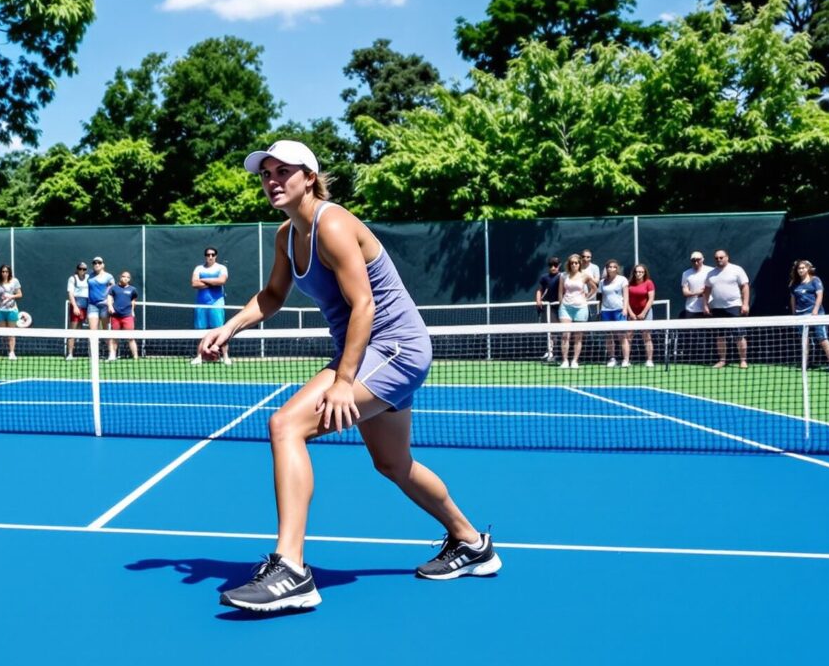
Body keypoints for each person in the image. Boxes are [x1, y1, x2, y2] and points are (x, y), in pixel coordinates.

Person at [201, 140, 496, 613]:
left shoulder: (333, 223)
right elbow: (272, 295)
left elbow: (364, 304)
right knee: (393, 463)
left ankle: (291, 569)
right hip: (374, 352)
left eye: (283, 171)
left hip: (394, 348)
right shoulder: (286, 235)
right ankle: (471, 543)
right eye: (266, 173)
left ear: (309, 178)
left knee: (285, 425)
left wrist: (343, 381)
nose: (272, 180)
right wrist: (229, 327)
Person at [706, 248, 750, 368]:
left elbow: (745, 287)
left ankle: (743, 361)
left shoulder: (737, 269)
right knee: (720, 336)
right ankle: (722, 360)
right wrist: (705, 304)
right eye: (716, 258)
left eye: (721, 257)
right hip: (717, 308)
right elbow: (707, 289)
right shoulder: (711, 273)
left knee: (739, 335)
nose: (718, 260)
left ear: (727, 257)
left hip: (734, 306)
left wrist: (745, 304)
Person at [790, 259, 829, 371]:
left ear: (808, 269)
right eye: (799, 268)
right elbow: (793, 299)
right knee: (804, 340)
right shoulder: (794, 284)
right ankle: (805, 364)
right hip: (801, 315)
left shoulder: (815, 280)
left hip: (816, 314)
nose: (801, 270)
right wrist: (794, 313)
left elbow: (820, 295)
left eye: (803, 268)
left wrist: (815, 310)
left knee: (822, 338)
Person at [556, 253, 595, 369]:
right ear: (569, 264)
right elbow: (560, 292)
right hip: (565, 308)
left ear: (579, 264)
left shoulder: (585, 276)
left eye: (576, 263)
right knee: (565, 335)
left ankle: (574, 361)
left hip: (581, 308)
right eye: (572, 263)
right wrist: (561, 303)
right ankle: (565, 361)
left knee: (578, 337)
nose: (574, 265)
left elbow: (594, 288)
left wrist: (587, 298)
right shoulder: (563, 275)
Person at [190, 246, 229, 342]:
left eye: (213, 254)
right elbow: (194, 283)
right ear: (205, 256)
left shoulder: (222, 268)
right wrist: (214, 283)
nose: (210, 257)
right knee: (200, 332)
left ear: (216, 256)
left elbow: (221, 281)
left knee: (218, 331)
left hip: (217, 303)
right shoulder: (198, 268)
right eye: (208, 255)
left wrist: (202, 280)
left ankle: (221, 351)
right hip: (201, 304)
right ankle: (200, 351)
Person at [596, 259, 629, 366]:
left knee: (622, 336)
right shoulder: (602, 282)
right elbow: (601, 298)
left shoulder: (622, 280)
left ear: (617, 268)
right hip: (606, 311)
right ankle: (612, 359)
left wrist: (625, 309)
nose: (612, 269)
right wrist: (600, 310)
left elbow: (626, 296)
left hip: (619, 310)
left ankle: (626, 360)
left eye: (614, 267)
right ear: (606, 268)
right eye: (609, 267)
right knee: (609, 336)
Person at [626, 263, 658, 367]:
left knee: (646, 336)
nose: (638, 274)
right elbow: (626, 300)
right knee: (628, 336)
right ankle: (626, 360)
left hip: (646, 313)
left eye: (641, 272)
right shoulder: (629, 284)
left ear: (644, 273)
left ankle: (649, 360)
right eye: (637, 272)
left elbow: (651, 299)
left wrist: (643, 313)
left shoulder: (649, 283)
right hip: (632, 313)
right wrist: (631, 313)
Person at [533, 256, 563, 363]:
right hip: (550, 307)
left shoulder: (563, 276)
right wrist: (538, 300)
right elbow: (539, 290)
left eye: (555, 265)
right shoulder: (544, 277)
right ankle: (551, 352)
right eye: (551, 265)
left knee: (564, 331)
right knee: (552, 331)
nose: (553, 267)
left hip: (563, 307)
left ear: (559, 265)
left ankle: (562, 354)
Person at [106, 270, 139, 361]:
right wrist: (110, 306)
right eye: (124, 276)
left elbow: (133, 301)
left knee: (131, 337)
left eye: (128, 277)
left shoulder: (133, 289)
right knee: (114, 337)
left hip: (127, 316)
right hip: (115, 317)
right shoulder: (113, 288)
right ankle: (112, 356)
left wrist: (132, 311)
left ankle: (136, 357)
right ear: (120, 277)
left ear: (129, 279)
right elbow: (109, 298)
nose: (126, 278)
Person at [0, 265, 22, 359]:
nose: (5, 273)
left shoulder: (15, 281)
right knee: (3, 334)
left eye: (6, 271)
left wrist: (11, 296)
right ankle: (7, 351)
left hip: (12, 310)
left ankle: (12, 352)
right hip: (1, 310)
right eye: (3, 271)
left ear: (9, 272)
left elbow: (20, 294)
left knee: (11, 333)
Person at [64, 261, 87, 360]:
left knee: (82, 329)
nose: (82, 270)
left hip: (87, 306)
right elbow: (70, 293)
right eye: (80, 268)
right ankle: (70, 354)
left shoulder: (89, 278)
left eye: (84, 269)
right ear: (77, 269)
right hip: (77, 305)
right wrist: (75, 306)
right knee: (72, 330)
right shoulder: (72, 278)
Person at [681, 251, 713, 318]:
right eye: (693, 260)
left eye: (698, 260)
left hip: (709, 307)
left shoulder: (711, 271)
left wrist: (706, 293)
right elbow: (685, 292)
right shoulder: (686, 273)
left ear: (703, 259)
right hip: (691, 309)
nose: (696, 262)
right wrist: (699, 292)